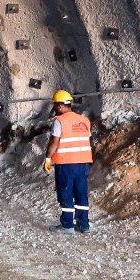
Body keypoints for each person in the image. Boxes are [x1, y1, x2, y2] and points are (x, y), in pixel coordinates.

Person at [43, 90, 92, 234]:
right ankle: (83, 225)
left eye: (55, 105)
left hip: (66, 164)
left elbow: (54, 141)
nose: (54, 108)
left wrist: (47, 158)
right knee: (81, 193)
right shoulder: (84, 120)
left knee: (65, 192)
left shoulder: (60, 121)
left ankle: (67, 225)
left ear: (59, 105)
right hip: (83, 163)